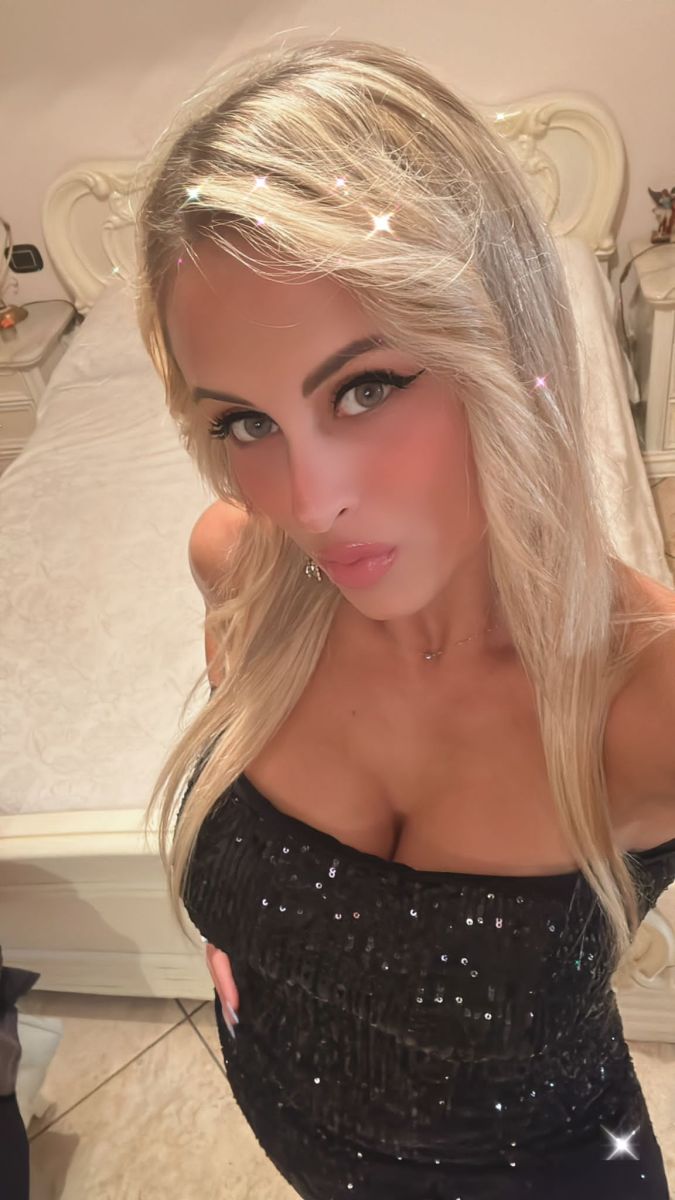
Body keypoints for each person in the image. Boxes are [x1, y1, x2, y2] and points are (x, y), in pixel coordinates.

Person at [137, 37, 675, 1199]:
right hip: (292, 1133)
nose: (309, 501)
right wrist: (252, 949)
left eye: (366, 388)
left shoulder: (647, 694)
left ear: (506, 348)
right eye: (244, 423)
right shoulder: (239, 572)